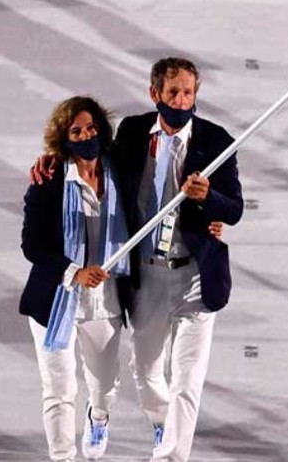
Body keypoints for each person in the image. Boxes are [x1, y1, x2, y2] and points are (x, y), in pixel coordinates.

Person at [31, 57, 244, 462]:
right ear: (155, 94)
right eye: (173, 93)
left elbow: (234, 209)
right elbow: (89, 160)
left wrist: (209, 200)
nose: (181, 102)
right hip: (146, 277)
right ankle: (158, 421)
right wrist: (51, 161)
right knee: (147, 377)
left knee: (186, 381)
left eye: (188, 93)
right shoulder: (130, 133)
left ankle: (170, 456)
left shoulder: (217, 141)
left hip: (196, 277)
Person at [18, 96, 133, 461]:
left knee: (104, 386)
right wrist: (75, 272)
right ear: (63, 138)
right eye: (76, 131)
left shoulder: (121, 172)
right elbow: (32, 245)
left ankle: (98, 417)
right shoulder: (49, 180)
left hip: (106, 301)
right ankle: (62, 456)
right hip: (56, 303)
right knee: (58, 390)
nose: (86, 135)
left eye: (91, 127)